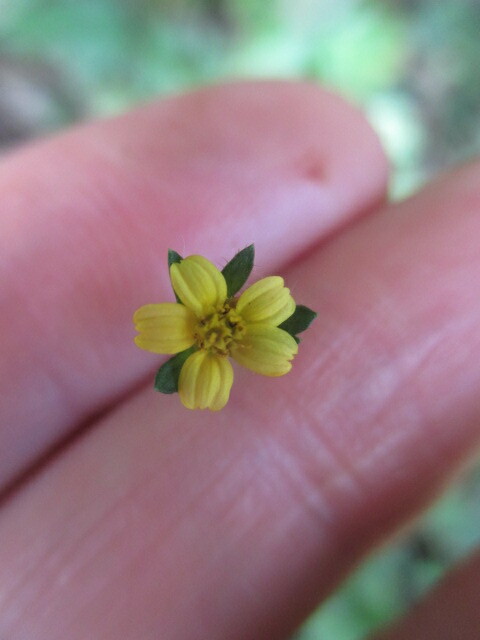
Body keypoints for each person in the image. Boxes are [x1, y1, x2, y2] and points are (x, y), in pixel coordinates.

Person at [0, 81, 478, 639]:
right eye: (219, 326)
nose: (219, 328)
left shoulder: (238, 341)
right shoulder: (199, 329)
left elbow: (262, 344)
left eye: (223, 328)